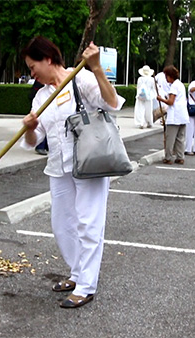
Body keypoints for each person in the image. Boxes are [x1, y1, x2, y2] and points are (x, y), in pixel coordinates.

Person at [20, 36, 125, 308]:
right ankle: (77, 273)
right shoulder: (41, 96)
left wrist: (97, 68)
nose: (32, 73)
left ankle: (86, 285)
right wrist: (30, 127)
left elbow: (112, 103)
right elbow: (33, 142)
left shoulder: (81, 79)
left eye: (33, 67)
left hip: (90, 162)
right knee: (62, 224)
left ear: (48, 59)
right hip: (58, 166)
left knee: (89, 223)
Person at [157, 65, 188, 164]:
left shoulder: (174, 86)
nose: (166, 79)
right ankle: (180, 157)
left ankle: (168, 157)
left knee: (170, 137)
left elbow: (171, 102)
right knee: (180, 138)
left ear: (170, 76)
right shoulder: (180, 84)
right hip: (182, 115)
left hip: (175, 115)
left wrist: (161, 99)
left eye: (166, 76)